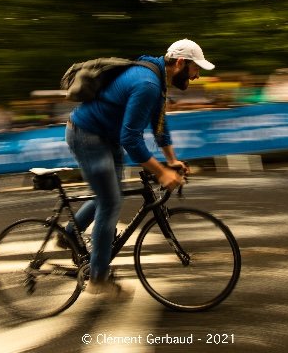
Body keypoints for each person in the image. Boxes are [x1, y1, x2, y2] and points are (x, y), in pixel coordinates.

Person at [64, 38, 215, 297]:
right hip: (87, 135)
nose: (197, 75)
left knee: (111, 194)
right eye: (195, 69)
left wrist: (171, 160)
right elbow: (131, 140)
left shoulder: (155, 77)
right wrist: (162, 172)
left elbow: (159, 123)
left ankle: (70, 233)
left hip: (104, 136)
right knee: (110, 202)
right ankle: (98, 279)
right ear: (180, 62)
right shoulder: (147, 83)